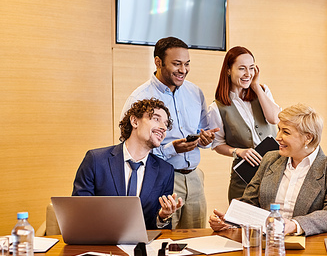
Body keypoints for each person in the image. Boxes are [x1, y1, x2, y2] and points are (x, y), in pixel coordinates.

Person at [120, 37, 219, 229]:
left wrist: (205, 138)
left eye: (187, 64)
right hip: (161, 178)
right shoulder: (139, 98)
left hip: (195, 178)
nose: (183, 70)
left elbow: (203, 132)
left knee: (195, 241)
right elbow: (130, 149)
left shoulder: (195, 92)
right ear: (158, 62)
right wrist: (171, 149)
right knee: (163, 238)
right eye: (177, 64)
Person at [209, 104, 327, 236]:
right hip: (265, 242)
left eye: (286, 132)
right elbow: (249, 201)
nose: (278, 137)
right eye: (279, 129)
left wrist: (294, 225)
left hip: (308, 245)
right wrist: (230, 220)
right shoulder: (270, 159)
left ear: (308, 138)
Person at [73, 98, 183, 229]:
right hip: (100, 243)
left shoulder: (165, 171)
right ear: (134, 121)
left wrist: (162, 217)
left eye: (165, 124)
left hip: (142, 247)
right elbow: (79, 211)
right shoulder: (96, 160)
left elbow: (161, 230)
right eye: (156, 119)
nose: (163, 128)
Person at [208, 46, 281, 201]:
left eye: (251, 68)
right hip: (243, 181)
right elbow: (217, 144)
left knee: (272, 222)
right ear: (228, 70)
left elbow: (274, 119)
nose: (248, 74)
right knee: (241, 224)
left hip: (274, 174)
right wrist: (238, 151)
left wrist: (255, 86)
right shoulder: (217, 107)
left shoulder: (262, 91)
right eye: (242, 69)